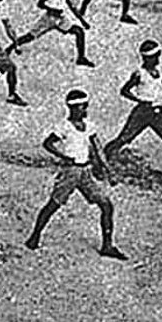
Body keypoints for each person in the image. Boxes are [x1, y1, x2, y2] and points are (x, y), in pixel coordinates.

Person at [24, 88, 125, 260]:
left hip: (85, 171)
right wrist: (64, 157)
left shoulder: (89, 125)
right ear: (72, 108)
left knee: (106, 205)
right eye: (82, 107)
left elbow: (98, 149)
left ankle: (107, 246)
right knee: (53, 205)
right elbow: (48, 144)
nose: (85, 110)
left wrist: (109, 171)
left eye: (86, 106)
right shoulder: (63, 126)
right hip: (70, 172)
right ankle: (34, 237)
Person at [103, 40, 162, 181]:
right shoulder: (139, 74)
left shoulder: (160, 71)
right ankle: (102, 158)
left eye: (157, 55)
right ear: (145, 58)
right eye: (153, 57)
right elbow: (124, 91)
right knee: (124, 139)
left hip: (155, 113)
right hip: (141, 113)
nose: (156, 59)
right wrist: (139, 99)